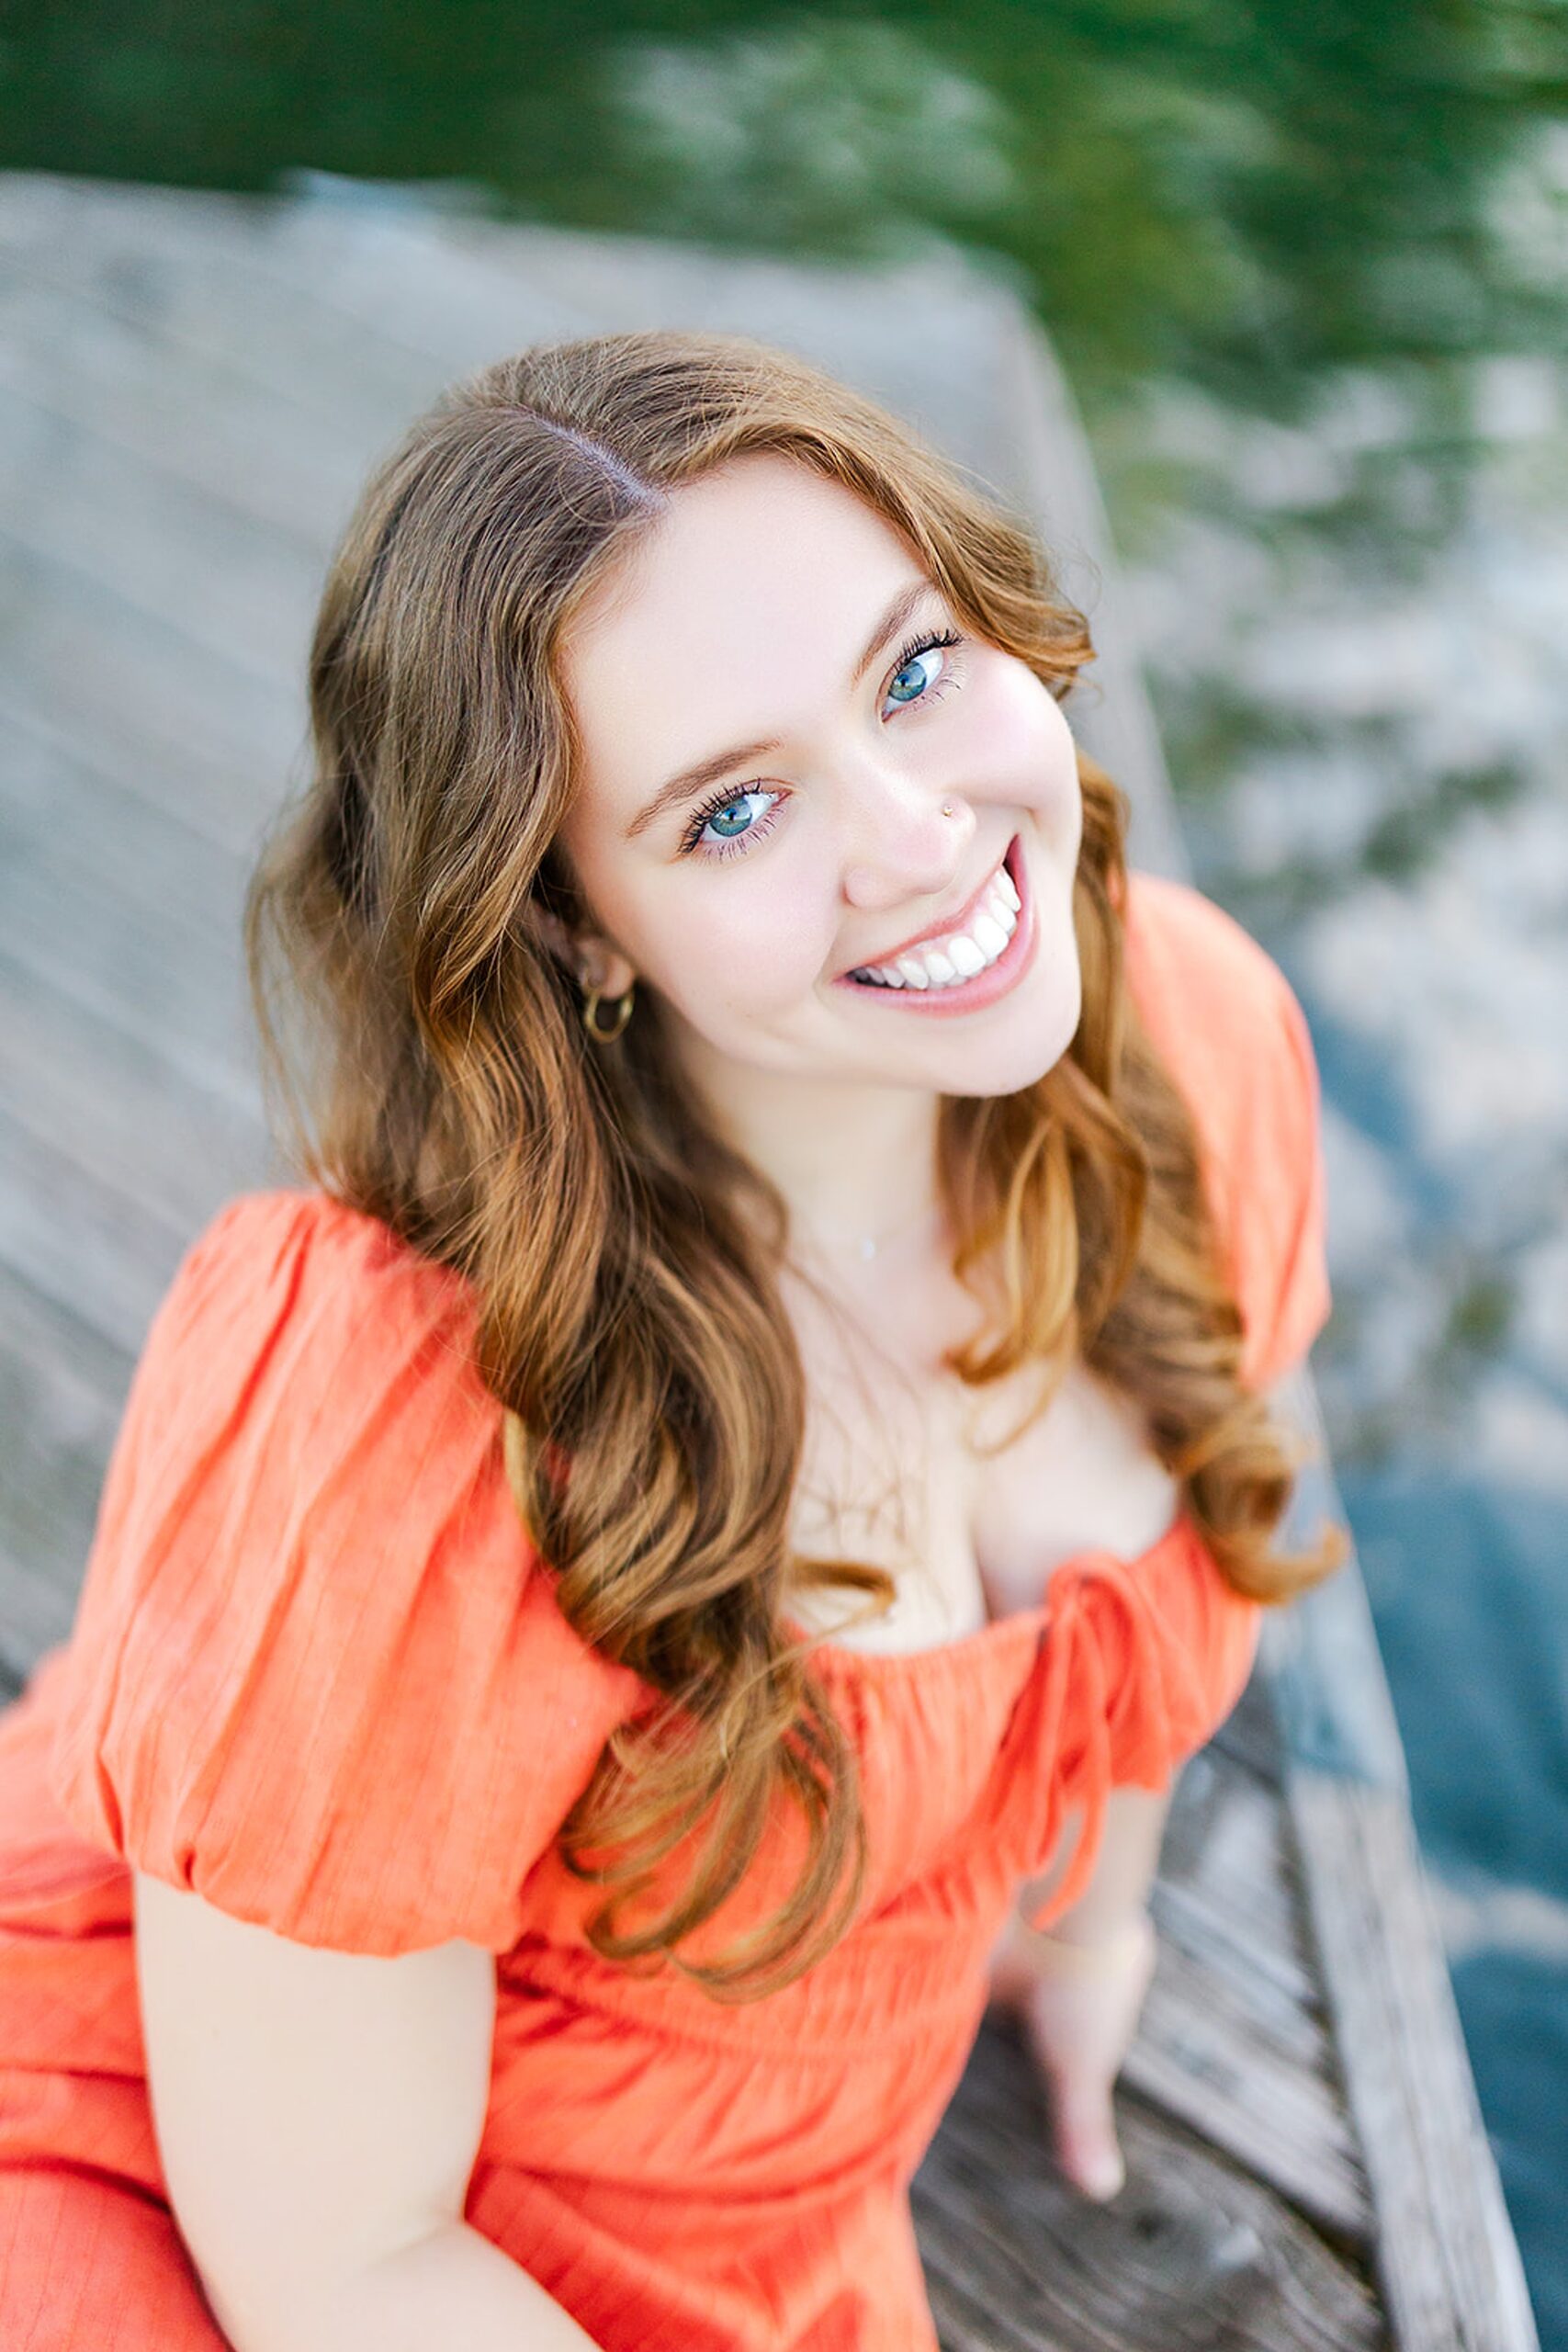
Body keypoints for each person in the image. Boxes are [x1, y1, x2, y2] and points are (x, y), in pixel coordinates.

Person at [0, 329, 1345, 2350]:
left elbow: (1148, 1593)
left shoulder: (1190, 1039)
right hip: (231, 2208)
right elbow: (336, 2260)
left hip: (738, 2216)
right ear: (569, 923)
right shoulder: (412, 1407)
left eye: (911, 670)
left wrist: (1087, 1920)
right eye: (733, 811)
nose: (915, 835)